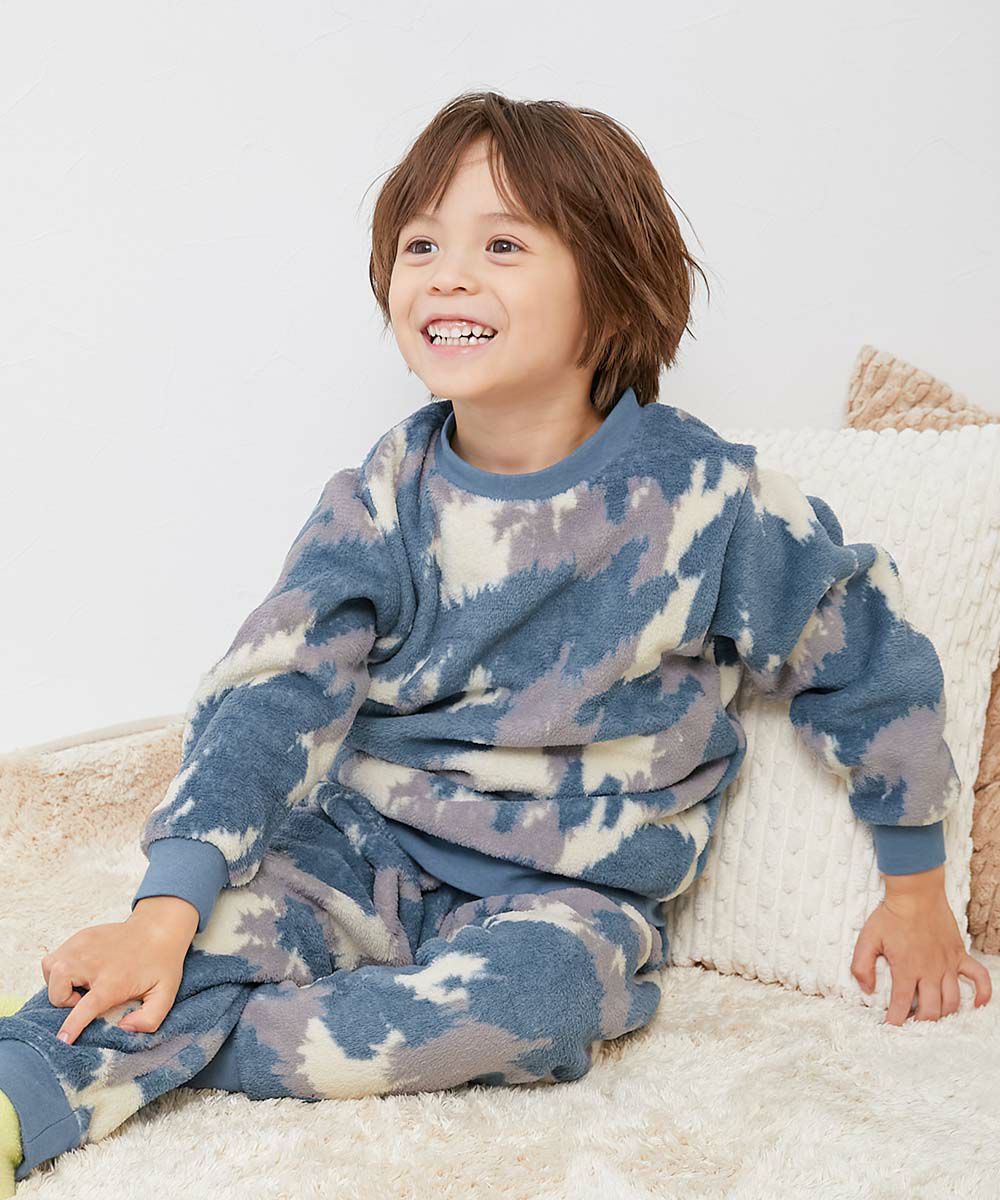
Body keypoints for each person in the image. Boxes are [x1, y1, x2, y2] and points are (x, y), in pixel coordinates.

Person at [0, 88, 990, 1194]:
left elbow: (863, 654)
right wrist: (165, 912)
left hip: (570, 892)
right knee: (177, 949)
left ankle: (199, 1046)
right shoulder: (382, 497)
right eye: (420, 245)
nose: (446, 274)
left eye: (502, 245)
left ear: (609, 289)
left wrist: (914, 888)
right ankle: (25, 1086)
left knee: (536, 1010)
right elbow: (271, 694)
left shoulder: (709, 499)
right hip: (362, 845)